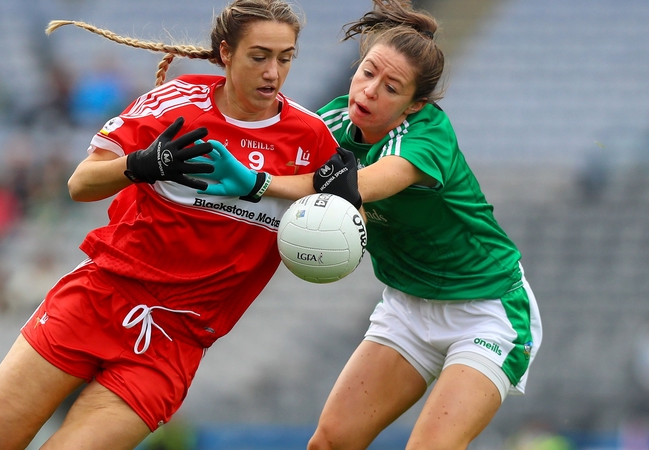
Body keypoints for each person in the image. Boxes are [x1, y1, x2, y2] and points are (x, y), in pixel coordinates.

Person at [0, 1, 340, 449]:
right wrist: (142, 164)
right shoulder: (176, 104)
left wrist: (260, 184)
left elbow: (341, 198)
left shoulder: (311, 136)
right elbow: (80, 183)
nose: (273, 73)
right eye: (259, 56)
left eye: (285, 58)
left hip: (176, 338)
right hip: (102, 295)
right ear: (226, 53)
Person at [191, 1, 543, 448]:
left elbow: (358, 185)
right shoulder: (331, 123)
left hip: (487, 311)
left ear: (414, 105)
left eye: (391, 87)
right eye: (367, 72)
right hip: (406, 307)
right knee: (329, 443)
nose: (370, 90)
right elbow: (274, 150)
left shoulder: (427, 135)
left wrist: (257, 182)